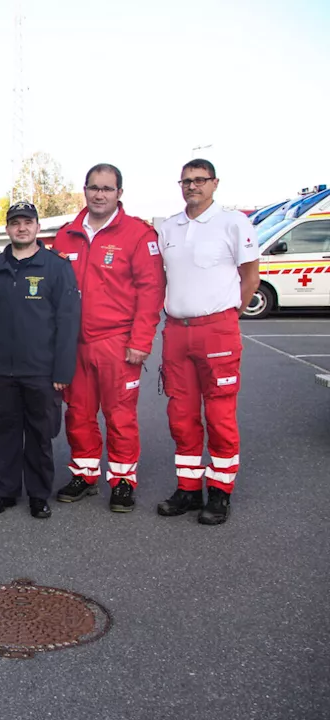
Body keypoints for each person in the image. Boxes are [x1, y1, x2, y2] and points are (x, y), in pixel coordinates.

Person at [51, 165, 166, 512]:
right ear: (84, 191)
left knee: (120, 416)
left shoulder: (138, 234)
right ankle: (85, 475)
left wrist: (141, 340)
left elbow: (151, 291)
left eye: (107, 188)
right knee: (79, 414)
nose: (100, 194)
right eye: (94, 188)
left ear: (119, 193)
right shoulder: (66, 235)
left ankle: (122, 481)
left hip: (117, 342)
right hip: (75, 345)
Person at [155, 159, 260, 525]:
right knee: (180, 416)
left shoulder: (233, 222)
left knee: (219, 415)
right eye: (186, 181)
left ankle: (219, 492)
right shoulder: (168, 227)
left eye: (200, 180)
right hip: (177, 331)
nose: (192, 186)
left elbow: (250, 276)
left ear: (215, 183)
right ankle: (187, 488)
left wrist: (228, 316)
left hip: (217, 329)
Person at [0, 202, 81, 520]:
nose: (22, 228)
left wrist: (62, 369)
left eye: (27, 222)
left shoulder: (56, 267)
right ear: (7, 228)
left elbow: (68, 320)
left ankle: (38, 494)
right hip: (1, 370)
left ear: (36, 227)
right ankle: (4, 493)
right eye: (15, 223)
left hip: (41, 370)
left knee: (39, 435)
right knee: (1, 434)